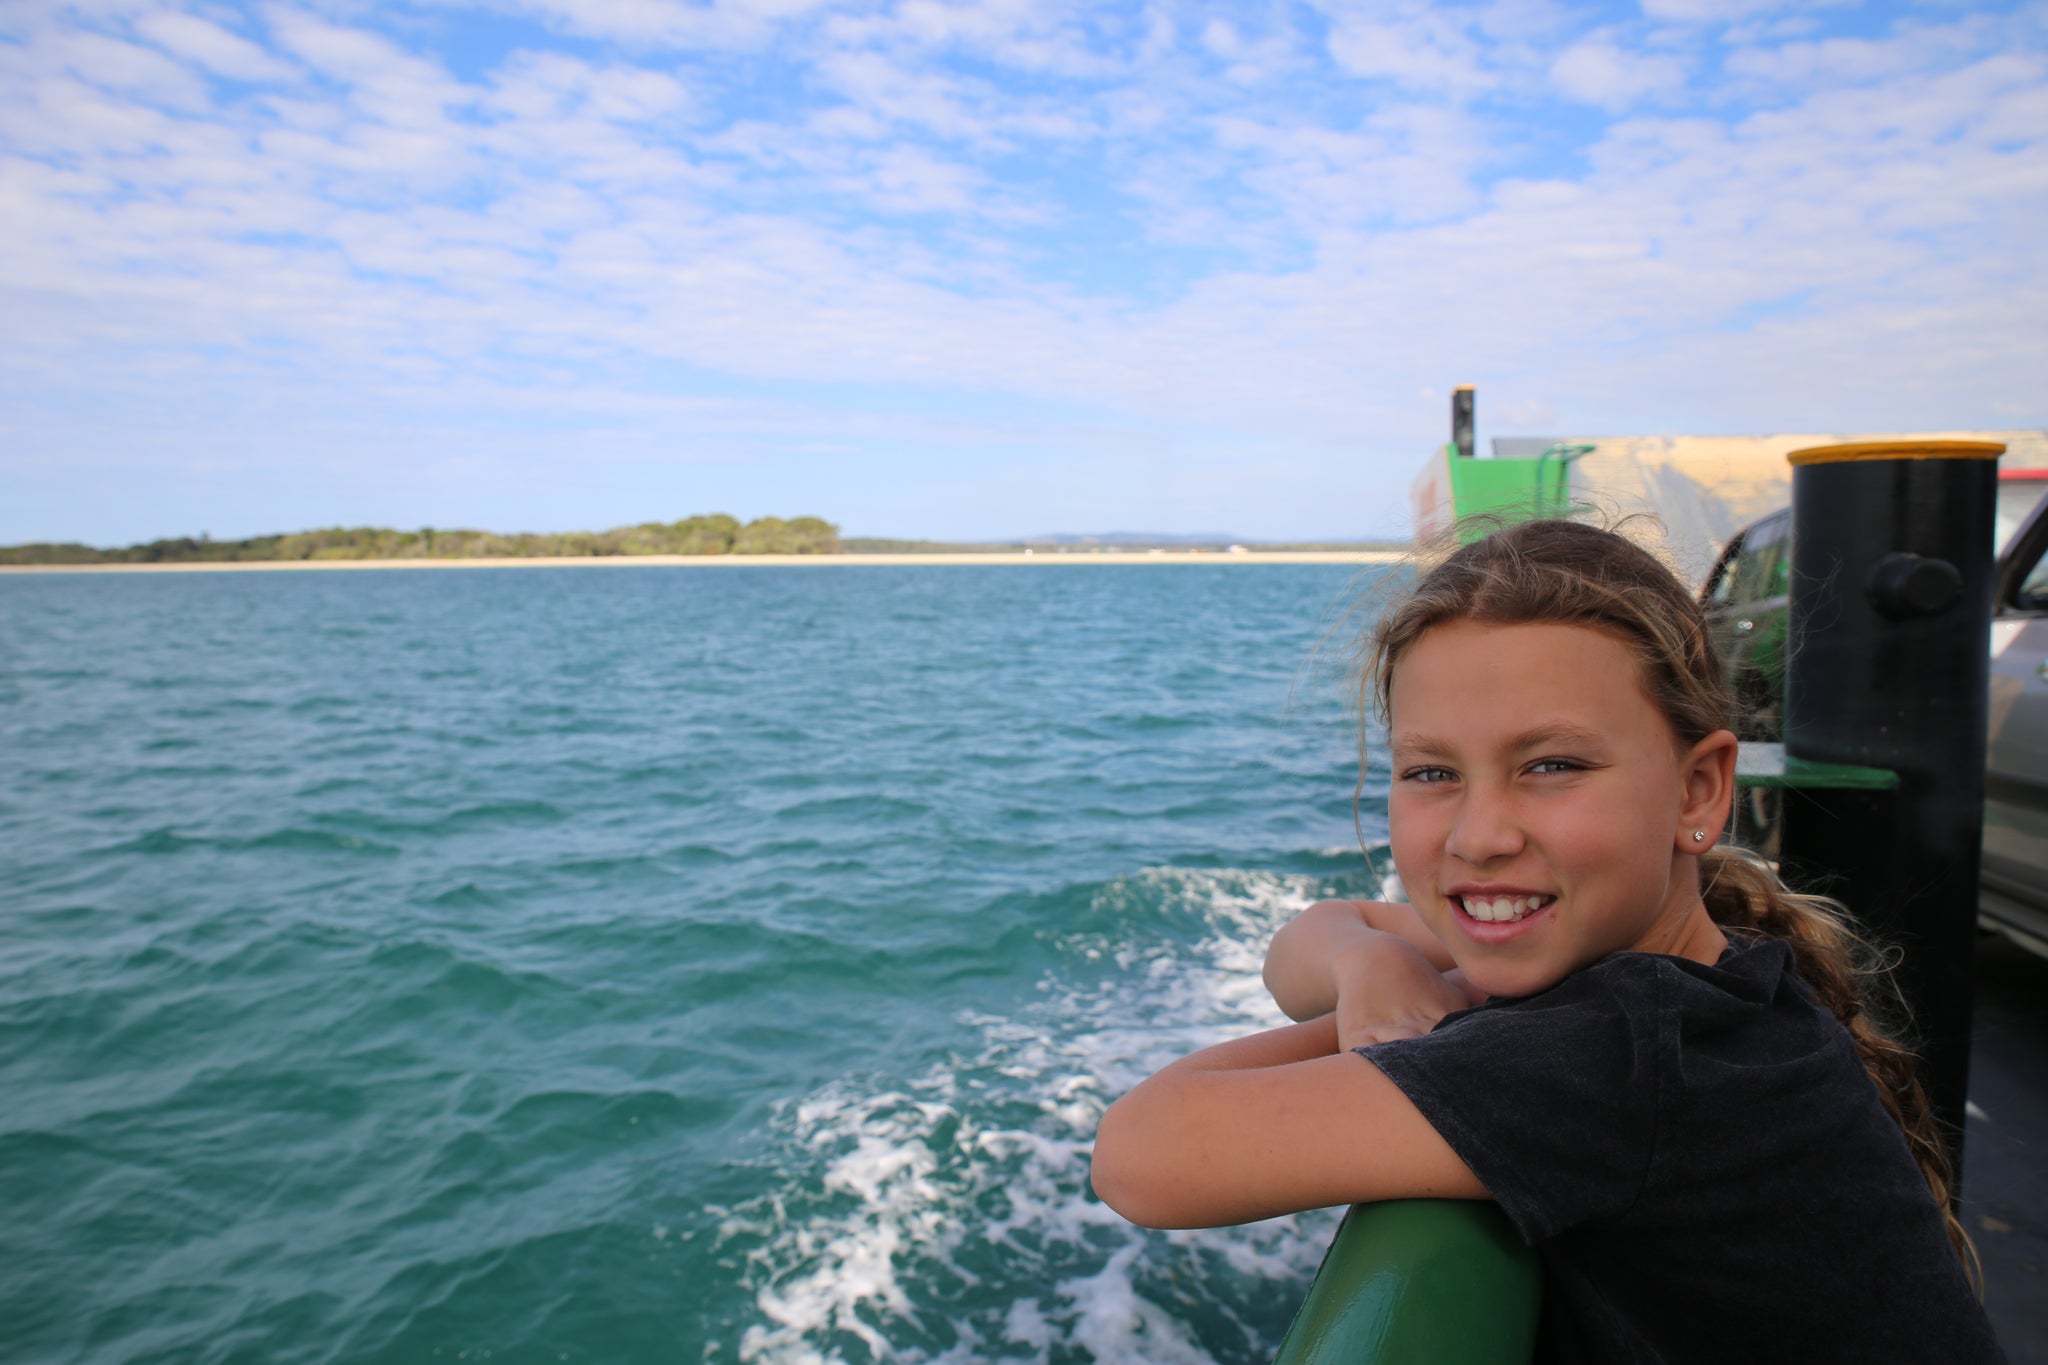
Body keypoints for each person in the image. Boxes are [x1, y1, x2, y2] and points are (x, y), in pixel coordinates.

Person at [1090, 519, 2003, 1363]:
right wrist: (1371, 963)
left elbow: (1140, 1153)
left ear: (1697, 789)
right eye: (1432, 771)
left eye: (1552, 765)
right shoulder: (1703, 965)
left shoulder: (1629, 1053)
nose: (1480, 834)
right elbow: (1311, 942)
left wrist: (1432, 1014)